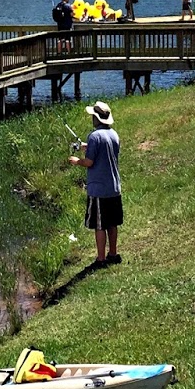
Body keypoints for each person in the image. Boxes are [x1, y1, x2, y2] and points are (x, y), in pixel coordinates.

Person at [68, 100, 122, 266]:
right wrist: (87, 146)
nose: (92, 118)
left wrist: (77, 161)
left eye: (93, 115)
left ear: (97, 118)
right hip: (114, 187)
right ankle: (113, 253)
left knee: (100, 225)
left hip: (99, 189)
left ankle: (100, 259)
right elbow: (104, 151)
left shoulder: (94, 136)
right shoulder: (114, 135)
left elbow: (90, 162)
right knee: (112, 224)